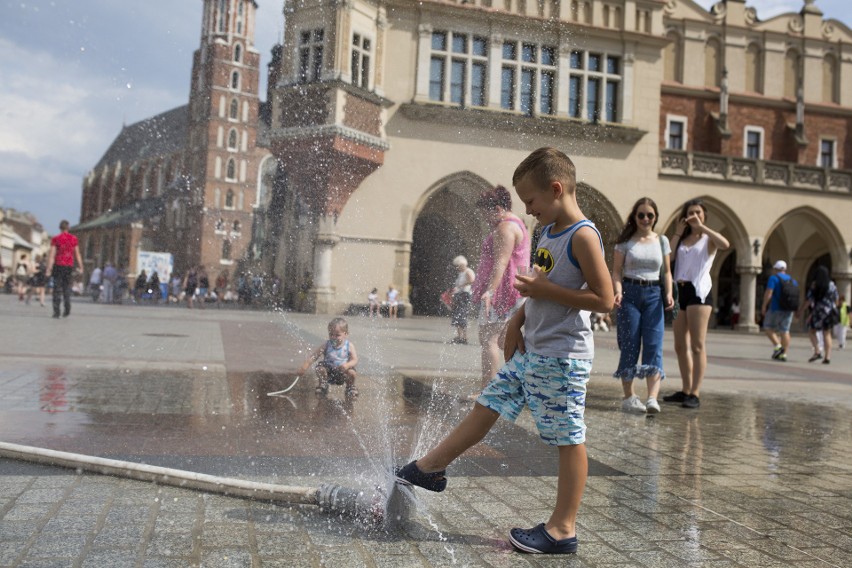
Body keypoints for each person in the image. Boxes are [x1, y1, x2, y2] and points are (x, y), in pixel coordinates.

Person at [395, 147, 613, 555]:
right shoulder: (548, 231)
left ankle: (563, 529)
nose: (528, 211)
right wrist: (519, 317)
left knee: (569, 438)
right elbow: (538, 286)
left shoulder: (583, 234)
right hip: (535, 350)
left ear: (556, 188)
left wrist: (545, 292)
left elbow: (604, 299)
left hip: (564, 356)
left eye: (531, 201)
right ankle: (429, 468)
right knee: (487, 403)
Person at [662, 199, 729, 409]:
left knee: (697, 345)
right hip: (680, 291)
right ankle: (685, 389)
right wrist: (678, 232)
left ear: (704, 215)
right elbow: (667, 256)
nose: (694, 216)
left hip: (699, 292)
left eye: (698, 212)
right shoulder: (682, 239)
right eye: (690, 212)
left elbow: (725, 244)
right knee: (680, 345)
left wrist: (703, 227)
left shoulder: (707, 239)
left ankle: (695, 392)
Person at [611, 198, 674, 415]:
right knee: (629, 344)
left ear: (655, 218)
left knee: (654, 344)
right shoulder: (626, 241)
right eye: (641, 215)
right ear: (634, 217)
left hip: (654, 294)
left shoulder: (662, 241)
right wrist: (617, 291)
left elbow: (666, 271)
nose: (645, 219)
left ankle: (652, 399)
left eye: (650, 215)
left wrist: (668, 292)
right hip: (629, 292)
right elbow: (616, 271)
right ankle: (629, 397)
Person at [470, 185, 531, 398]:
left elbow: (501, 262)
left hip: (502, 294)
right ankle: (515, 388)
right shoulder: (518, 225)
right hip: (513, 293)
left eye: (484, 213)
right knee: (507, 340)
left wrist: (490, 292)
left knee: (488, 340)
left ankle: (488, 390)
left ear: (497, 208)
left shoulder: (505, 228)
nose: (484, 219)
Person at [296, 317, 360, 397]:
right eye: (331, 334)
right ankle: (323, 384)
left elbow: (355, 360)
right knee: (320, 368)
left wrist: (347, 365)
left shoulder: (349, 346)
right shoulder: (326, 345)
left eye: (337, 335)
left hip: (342, 371)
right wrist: (304, 367)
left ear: (346, 334)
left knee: (352, 373)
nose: (333, 337)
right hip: (329, 371)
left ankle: (350, 387)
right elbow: (314, 356)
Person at [45, 220, 84, 319]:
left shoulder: (56, 239)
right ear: (68, 228)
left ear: (60, 228)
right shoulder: (73, 238)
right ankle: (67, 307)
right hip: (69, 266)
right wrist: (81, 266)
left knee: (57, 289)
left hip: (58, 265)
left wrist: (48, 269)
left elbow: (52, 255)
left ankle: (56, 311)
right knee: (67, 287)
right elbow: (77, 253)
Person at [760, 260, 797, 362]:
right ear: (784, 269)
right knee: (785, 331)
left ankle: (778, 346)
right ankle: (784, 354)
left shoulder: (774, 278)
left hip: (775, 308)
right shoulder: (792, 280)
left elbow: (769, 292)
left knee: (767, 327)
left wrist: (764, 305)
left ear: (775, 269)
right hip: (788, 309)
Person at [804, 265, 839, 365]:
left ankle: (817, 351)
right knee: (827, 333)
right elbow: (836, 299)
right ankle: (827, 357)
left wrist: (801, 310)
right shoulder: (832, 285)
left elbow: (809, 299)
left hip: (818, 312)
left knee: (811, 331)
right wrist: (833, 307)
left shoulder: (814, 285)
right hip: (829, 312)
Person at [449, 256, 476, 344]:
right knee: (457, 314)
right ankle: (459, 336)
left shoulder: (468, 272)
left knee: (462, 314)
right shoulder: (461, 273)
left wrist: (461, 286)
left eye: (458, 266)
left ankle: (464, 337)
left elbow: (472, 281)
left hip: (464, 295)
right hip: (459, 294)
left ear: (462, 264)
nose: (457, 268)